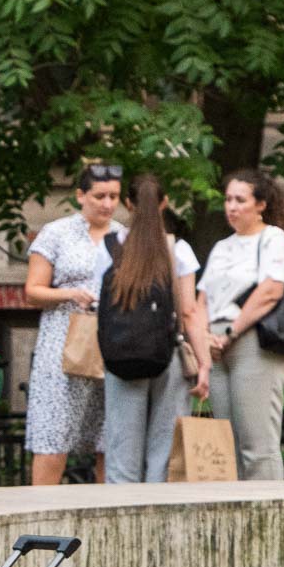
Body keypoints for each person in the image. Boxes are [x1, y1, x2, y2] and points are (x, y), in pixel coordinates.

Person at [100, 175, 213, 482]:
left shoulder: (109, 248)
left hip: (121, 355)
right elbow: (190, 312)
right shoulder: (179, 250)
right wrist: (203, 364)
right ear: (164, 203)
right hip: (170, 356)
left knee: (122, 451)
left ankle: (121, 520)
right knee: (164, 452)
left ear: (127, 204)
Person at [24, 163, 125, 483]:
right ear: (80, 196)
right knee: (54, 429)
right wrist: (71, 294)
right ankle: (41, 513)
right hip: (64, 336)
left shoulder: (124, 235)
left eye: (114, 196)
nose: (107, 204)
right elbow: (32, 291)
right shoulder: (57, 232)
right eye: (99, 196)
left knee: (110, 437)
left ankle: (107, 514)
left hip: (112, 338)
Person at [195, 169, 284, 479]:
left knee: (258, 443)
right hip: (216, 345)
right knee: (230, 443)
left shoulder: (272, 238)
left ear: (261, 204)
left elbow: (270, 290)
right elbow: (202, 301)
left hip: (251, 340)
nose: (232, 207)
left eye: (240, 200)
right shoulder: (223, 246)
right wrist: (204, 340)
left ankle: (268, 518)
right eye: (228, 200)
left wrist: (231, 332)